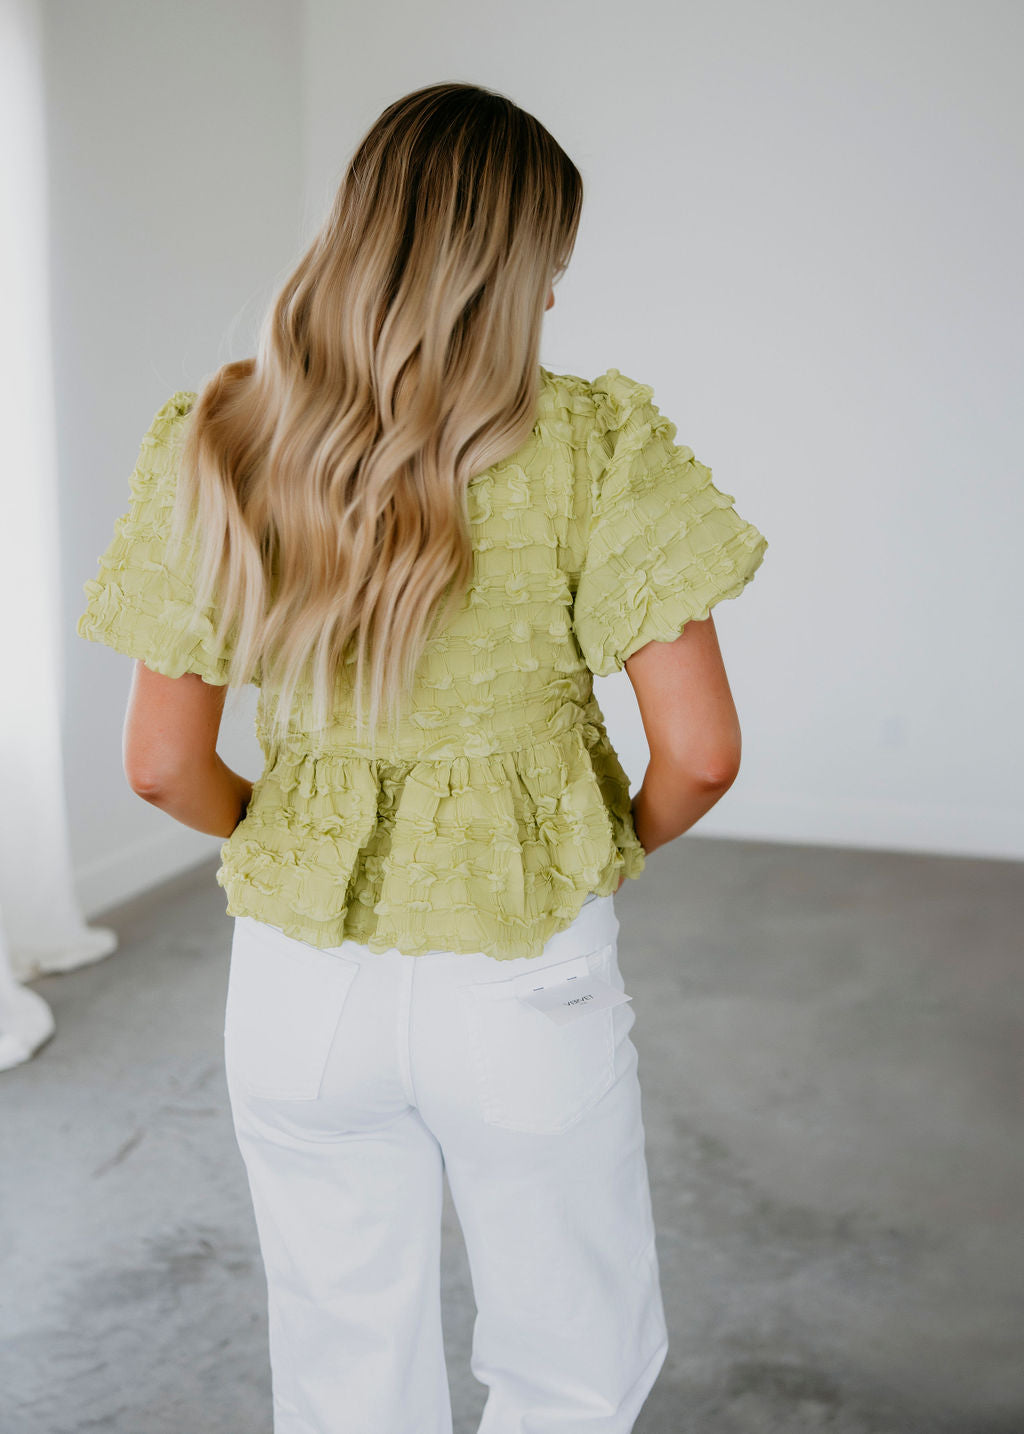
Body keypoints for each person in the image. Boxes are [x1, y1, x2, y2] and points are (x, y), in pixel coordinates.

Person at [77, 81, 768, 1434]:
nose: (555, 297)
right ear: (511, 271)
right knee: (571, 1371)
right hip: (523, 972)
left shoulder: (224, 433)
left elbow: (160, 764)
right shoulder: (595, 443)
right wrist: (592, 845)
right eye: (551, 264)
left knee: (341, 1369)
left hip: (299, 982)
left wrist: (289, 837)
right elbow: (701, 753)